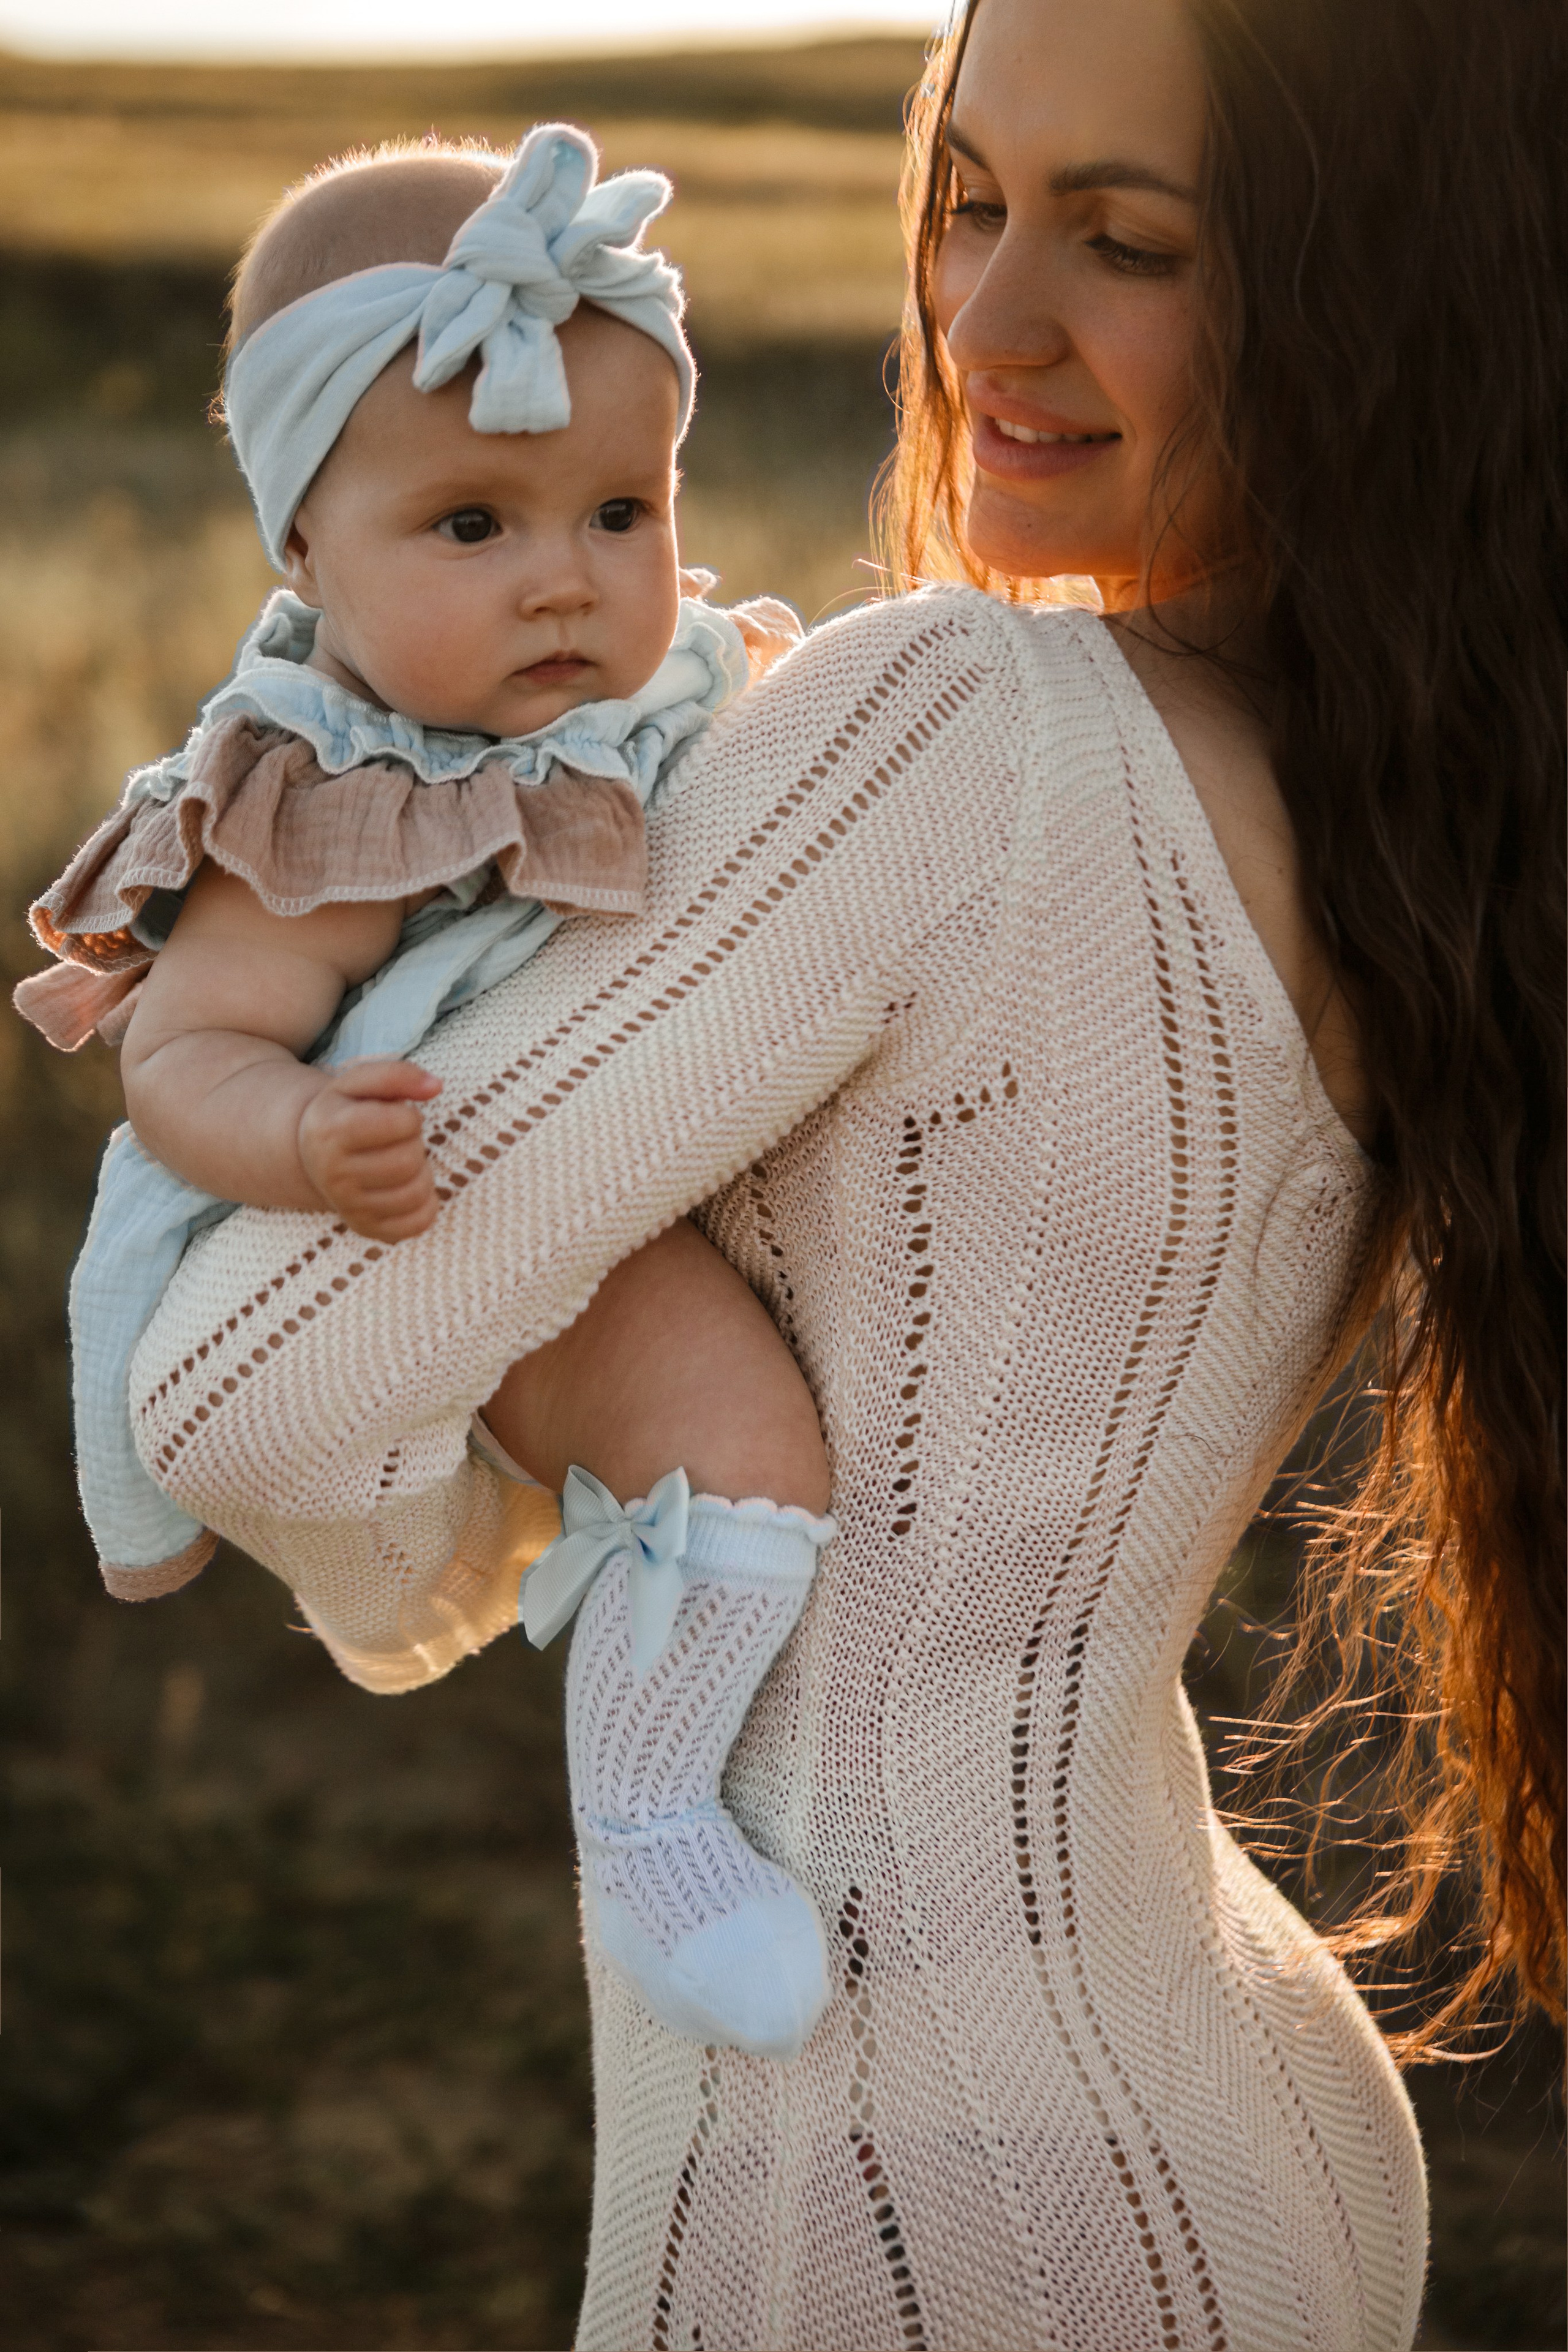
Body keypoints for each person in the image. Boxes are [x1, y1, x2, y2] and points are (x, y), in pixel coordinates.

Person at [119, 0, 1566, 2342]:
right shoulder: (1444, 800)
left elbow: (246, 1402)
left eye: (1132, 242)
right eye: (970, 195)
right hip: (1250, 2119)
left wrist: (489, 1261)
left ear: (1374, 287)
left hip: (902, 2187)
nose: (986, 320)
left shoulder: (950, 726)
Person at [17, 124, 842, 2062]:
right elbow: (178, 1058)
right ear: (305, 544)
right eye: (473, 526)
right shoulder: (330, 803)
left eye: (619, 514)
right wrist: (305, 1136)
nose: (567, 581)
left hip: (702, 1142)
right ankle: (651, 1811)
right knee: (740, 1439)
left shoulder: (676, 692)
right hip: (488, 1227)